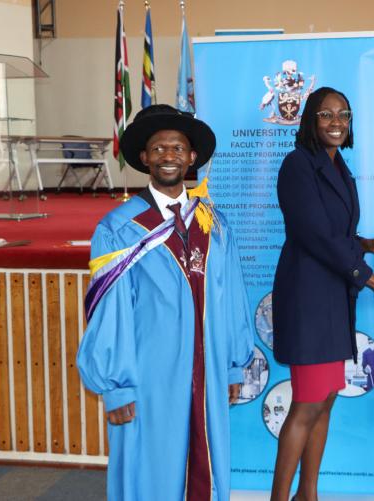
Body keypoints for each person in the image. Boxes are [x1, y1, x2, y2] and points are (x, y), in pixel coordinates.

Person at [76, 104, 254, 501]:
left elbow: (231, 298)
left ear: (192, 158)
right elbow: (111, 314)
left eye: (177, 148)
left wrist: (231, 364)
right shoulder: (119, 229)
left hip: (206, 370)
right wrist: (117, 386)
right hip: (149, 376)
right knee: (150, 470)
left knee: (204, 465)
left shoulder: (215, 223)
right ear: (144, 158)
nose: (168, 156)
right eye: (158, 149)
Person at [270, 86, 374, 501]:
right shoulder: (297, 164)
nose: (336, 123)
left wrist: (365, 244)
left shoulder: (337, 164)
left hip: (333, 294)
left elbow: (334, 232)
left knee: (325, 400)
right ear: (311, 120)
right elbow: (313, 234)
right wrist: (373, 279)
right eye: (326, 115)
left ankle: (307, 494)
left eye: (343, 115)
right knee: (307, 403)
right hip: (309, 297)